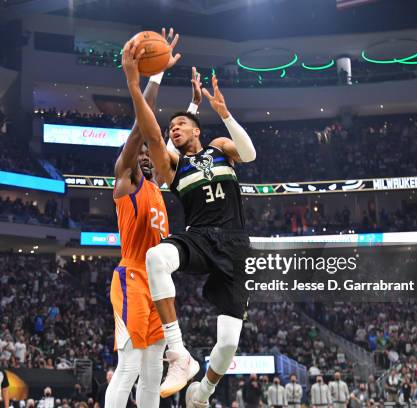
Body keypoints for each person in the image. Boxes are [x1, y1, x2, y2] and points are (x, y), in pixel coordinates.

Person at [121, 34, 256, 406]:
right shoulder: (173, 166)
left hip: (235, 243)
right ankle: (179, 354)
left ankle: (204, 391)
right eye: (171, 128)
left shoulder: (220, 148)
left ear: (198, 129)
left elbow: (250, 152)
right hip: (198, 237)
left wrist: (223, 112)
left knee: (228, 342)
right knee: (156, 257)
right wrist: (144, 81)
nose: (174, 129)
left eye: (181, 125)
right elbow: (149, 129)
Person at [106, 27, 195, 408]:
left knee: (154, 368)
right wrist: (145, 78)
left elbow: (162, 138)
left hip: (157, 283)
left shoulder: (160, 186)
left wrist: (186, 104)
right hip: (130, 277)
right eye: (140, 148)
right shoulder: (126, 179)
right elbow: (143, 128)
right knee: (128, 365)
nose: (145, 152)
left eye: (148, 151)